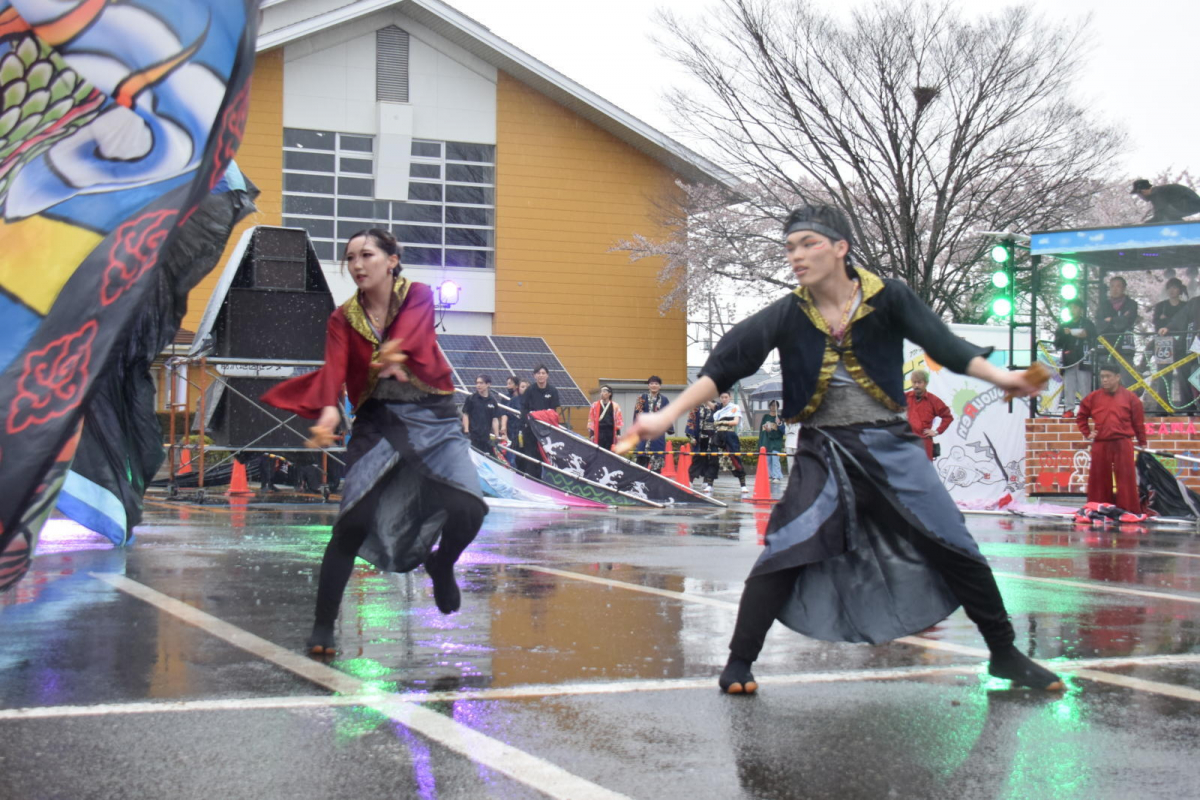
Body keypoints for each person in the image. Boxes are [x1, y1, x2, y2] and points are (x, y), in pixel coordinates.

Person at [622, 204, 1061, 694]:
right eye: (790, 247)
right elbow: (726, 365)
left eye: (808, 244)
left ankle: (1004, 653)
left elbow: (947, 344)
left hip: (893, 448)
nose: (797, 256)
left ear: (840, 248)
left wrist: (1006, 378)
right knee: (785, 550)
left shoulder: (887, 298)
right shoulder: (789, 313)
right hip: (824, 452)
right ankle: (739, 662)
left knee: (954, 543)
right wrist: (664, 416)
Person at [261, 228, 486, 655]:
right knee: (353, 522)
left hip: (432, 416)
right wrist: (329, 407)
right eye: (350, 258)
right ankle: (324, 626)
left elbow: (415, 330)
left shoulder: (417, 293)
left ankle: (443, 563)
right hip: (377, 422)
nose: (358, 265)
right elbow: (334, 369)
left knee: (468, 506)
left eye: (367, 255)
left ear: (392, 260)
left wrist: (395, 351)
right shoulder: (341, 318)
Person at [1076, 364, 1147, 513]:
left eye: (1108, 376)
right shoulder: (1093, 397)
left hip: (1123, 442)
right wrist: (1087, 432)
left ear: (1117, 377)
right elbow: (1081, 415)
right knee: (1098, 479)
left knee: (1126, 479)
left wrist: (1142, 442)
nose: (1105, 380)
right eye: (1102, 377)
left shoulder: (1131, 398)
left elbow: (1138, 422)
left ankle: (1129, 511)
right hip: (1101, 443)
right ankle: (1098, 509)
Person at [1151, 277, 1189, 410]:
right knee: (1164, 376)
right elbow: (1156, 324)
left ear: (1180, 290)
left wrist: (1167, 322)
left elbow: (1185, 324)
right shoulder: (1161, 306)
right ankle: (1162, 407)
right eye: (1170, 288)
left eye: (1175, 287)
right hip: (1163, 343)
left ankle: (1188, 406)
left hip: (1182, 343)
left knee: (1184, 374)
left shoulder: (1186, 305)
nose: (1172, 291)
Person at [1053, 299, 1096, 416]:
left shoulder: (1087, 323)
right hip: (1069, 358)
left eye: (1075, 307)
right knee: (1069, 385)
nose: (1073, 310)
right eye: (1070, 308)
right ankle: (1068, 409)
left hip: (1084, 357)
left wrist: (1071, 332)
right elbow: (1057, 343)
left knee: (1084, 384)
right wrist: (1063, 334)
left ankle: (1086, 409)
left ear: (1081, 309)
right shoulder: (1064, 325)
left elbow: (1088, 334)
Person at [519, 365, 560, 479]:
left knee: (546, 456)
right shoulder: (529, 391)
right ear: (534, 376)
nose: (541, 375)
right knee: (531, 455)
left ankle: (546, 480)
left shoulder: (553, 391)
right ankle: (531, 479)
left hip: (547, 431)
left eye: (543, 373)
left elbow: (553, 412)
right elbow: (524, 409)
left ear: (547, 375)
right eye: (538, 373)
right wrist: (527, 421)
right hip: (531, 429)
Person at [1095, 275, 1139, 380]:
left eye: (1118, 286)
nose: (1115, 289)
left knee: (1125, 379)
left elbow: (1126, 322)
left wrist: (1110, 320)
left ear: (1124, 288)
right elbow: (1099, 324)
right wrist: (1118, 319)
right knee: (1107, 380)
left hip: (1125, 347)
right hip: (1106, 347)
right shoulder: (1103, 305)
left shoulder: (1131, 304)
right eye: (1112, 286)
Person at [904, 369, 953, 461]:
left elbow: (948, 417)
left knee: (925, 472)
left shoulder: (933, 400)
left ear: (926, 383)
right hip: (908, 441)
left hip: (924, 443)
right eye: (914, 382)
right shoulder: (905, 397)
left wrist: (937, 431)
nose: (916, 385)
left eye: (919, 382)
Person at [633, 376, 673, 471]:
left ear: (660, 386)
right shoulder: (642, 398)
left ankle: (655, 484)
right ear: (648, 386)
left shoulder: (664, 400)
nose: (654, 386)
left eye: (656, 384)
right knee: (641, 463)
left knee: (657, 462)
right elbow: (637, 414)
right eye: (651, 384)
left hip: (657, 434)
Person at [713, 391, 748, 493]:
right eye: (722, 397)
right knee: (713, 458)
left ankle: (743, 485)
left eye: (726, 397)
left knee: (735, 458)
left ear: (730, 397)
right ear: (720, 398)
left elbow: (736, 422)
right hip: (718, 435)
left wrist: (723, 422)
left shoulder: (734, 407)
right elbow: (710, 405)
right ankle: (709, 484)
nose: (724, 399)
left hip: (729, 434)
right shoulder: (719, 409)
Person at [461, 374, 501, 454]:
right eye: (477, 383)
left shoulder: (492, 401)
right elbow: (465, 414)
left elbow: (495, 419)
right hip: (472, 435)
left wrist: (496, 436)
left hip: (486, 437)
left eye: (481, 383)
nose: (478, 385)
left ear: (488, 384)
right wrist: (466, 431)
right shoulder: (471, 399)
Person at [686, 399, 719, 492]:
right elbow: (691, 421)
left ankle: (708, 482)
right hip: (700, 437)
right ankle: (690, 480)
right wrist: (691, 437)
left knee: (712, 460)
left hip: (714, 437)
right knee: (698, 459)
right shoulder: (696, 406)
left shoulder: (717, 406)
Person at [1132, 179, 1200, 223]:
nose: (1141, 197)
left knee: (1164, 214)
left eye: (1139, 195)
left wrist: (1145, 225)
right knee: (1166, 214)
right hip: (1191, 203)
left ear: (1143, 191)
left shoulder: (1156, 194)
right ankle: (1179, 224)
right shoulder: (1159, 191)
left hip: (1191, 203)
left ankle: (1177, 226)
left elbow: (1159, 215)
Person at [757, 400, 786, 481]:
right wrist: (760, 443)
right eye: (772, 405)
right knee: (768, 460)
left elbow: (781, 432)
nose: (773, 407)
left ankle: (777, 476)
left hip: (776, 442)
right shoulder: (765, 417)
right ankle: (769, 476)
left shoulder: (779, 418)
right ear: (769, 406)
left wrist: (778, 423)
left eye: (776, 405)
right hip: (766, 441)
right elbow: (761, 431)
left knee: (775, 459)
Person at [587, 385, 623, 450]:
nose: (602, 393)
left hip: (610, 432)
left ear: (609, 393)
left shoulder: (615, 406)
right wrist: (591, 434)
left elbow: (618, 421)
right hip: (599, 431)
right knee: (599, 450)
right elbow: (591, 420)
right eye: (601, 391)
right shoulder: (594, 405)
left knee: (610, 450)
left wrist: (618, 434)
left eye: (604, 391)